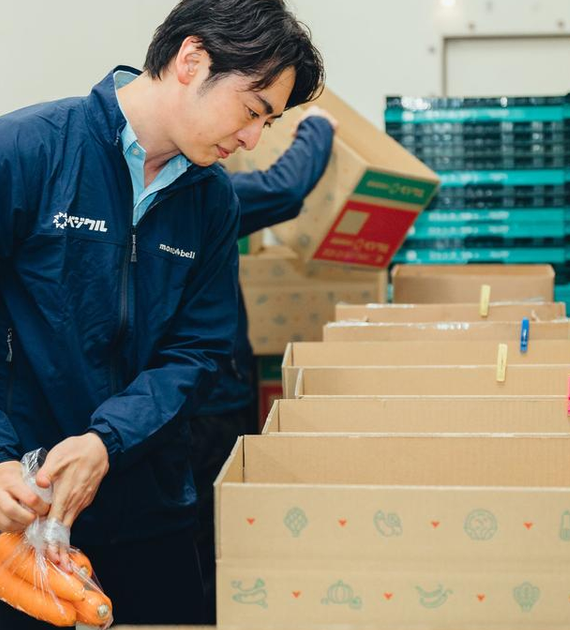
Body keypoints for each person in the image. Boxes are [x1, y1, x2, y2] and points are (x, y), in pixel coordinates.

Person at [0, 0, 324, 627]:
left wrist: (107, 441)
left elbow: (200, 349)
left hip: (148, 510)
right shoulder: (17, 153)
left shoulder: (211, 200)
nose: (253, 139)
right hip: (15, 515)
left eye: (269, 121)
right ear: (192, 60)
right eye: (252, 110)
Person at [188, 104, 337, 622]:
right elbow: (284, 188)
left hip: (184, 396)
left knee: (198, 531)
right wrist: (317, 129)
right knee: (213, 532)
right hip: (211, 399)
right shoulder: (197, 194)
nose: (247, 140)